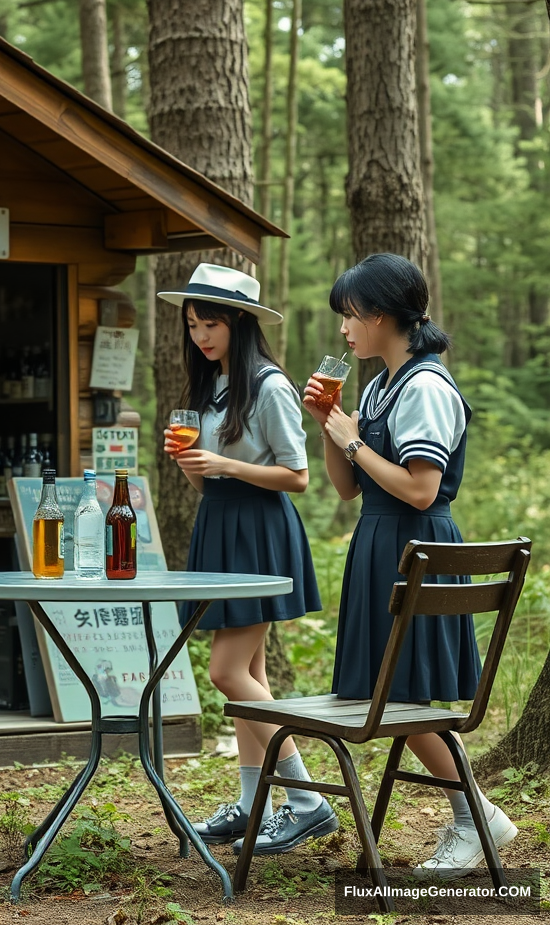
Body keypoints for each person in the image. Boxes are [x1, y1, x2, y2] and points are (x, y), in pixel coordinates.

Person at [305, 252, 516, 879]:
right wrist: (328, 426)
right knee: (387, 690)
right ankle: (477, 815)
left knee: (399, 693)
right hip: (380, 543)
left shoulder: (426, 386)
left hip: (415, 542)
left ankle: (474, 817)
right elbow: (348, 488)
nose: (344, 329)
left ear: (380, 316)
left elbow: (421, 489)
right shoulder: (378, 385)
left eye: (350, 316)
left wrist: (353, 439)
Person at [157, 264, 337, 855]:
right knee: (249, 676)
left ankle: (307, 801)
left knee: (226, 673)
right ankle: (251, 801)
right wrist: (195, 469)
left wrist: (225, 465)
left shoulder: (269, 385)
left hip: (259, 531)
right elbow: (214, 484)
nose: (200, 335)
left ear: (239, 323)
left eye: (210, 322)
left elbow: (299, 477)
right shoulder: (212, 383)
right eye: (192, 323)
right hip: (222, 523)